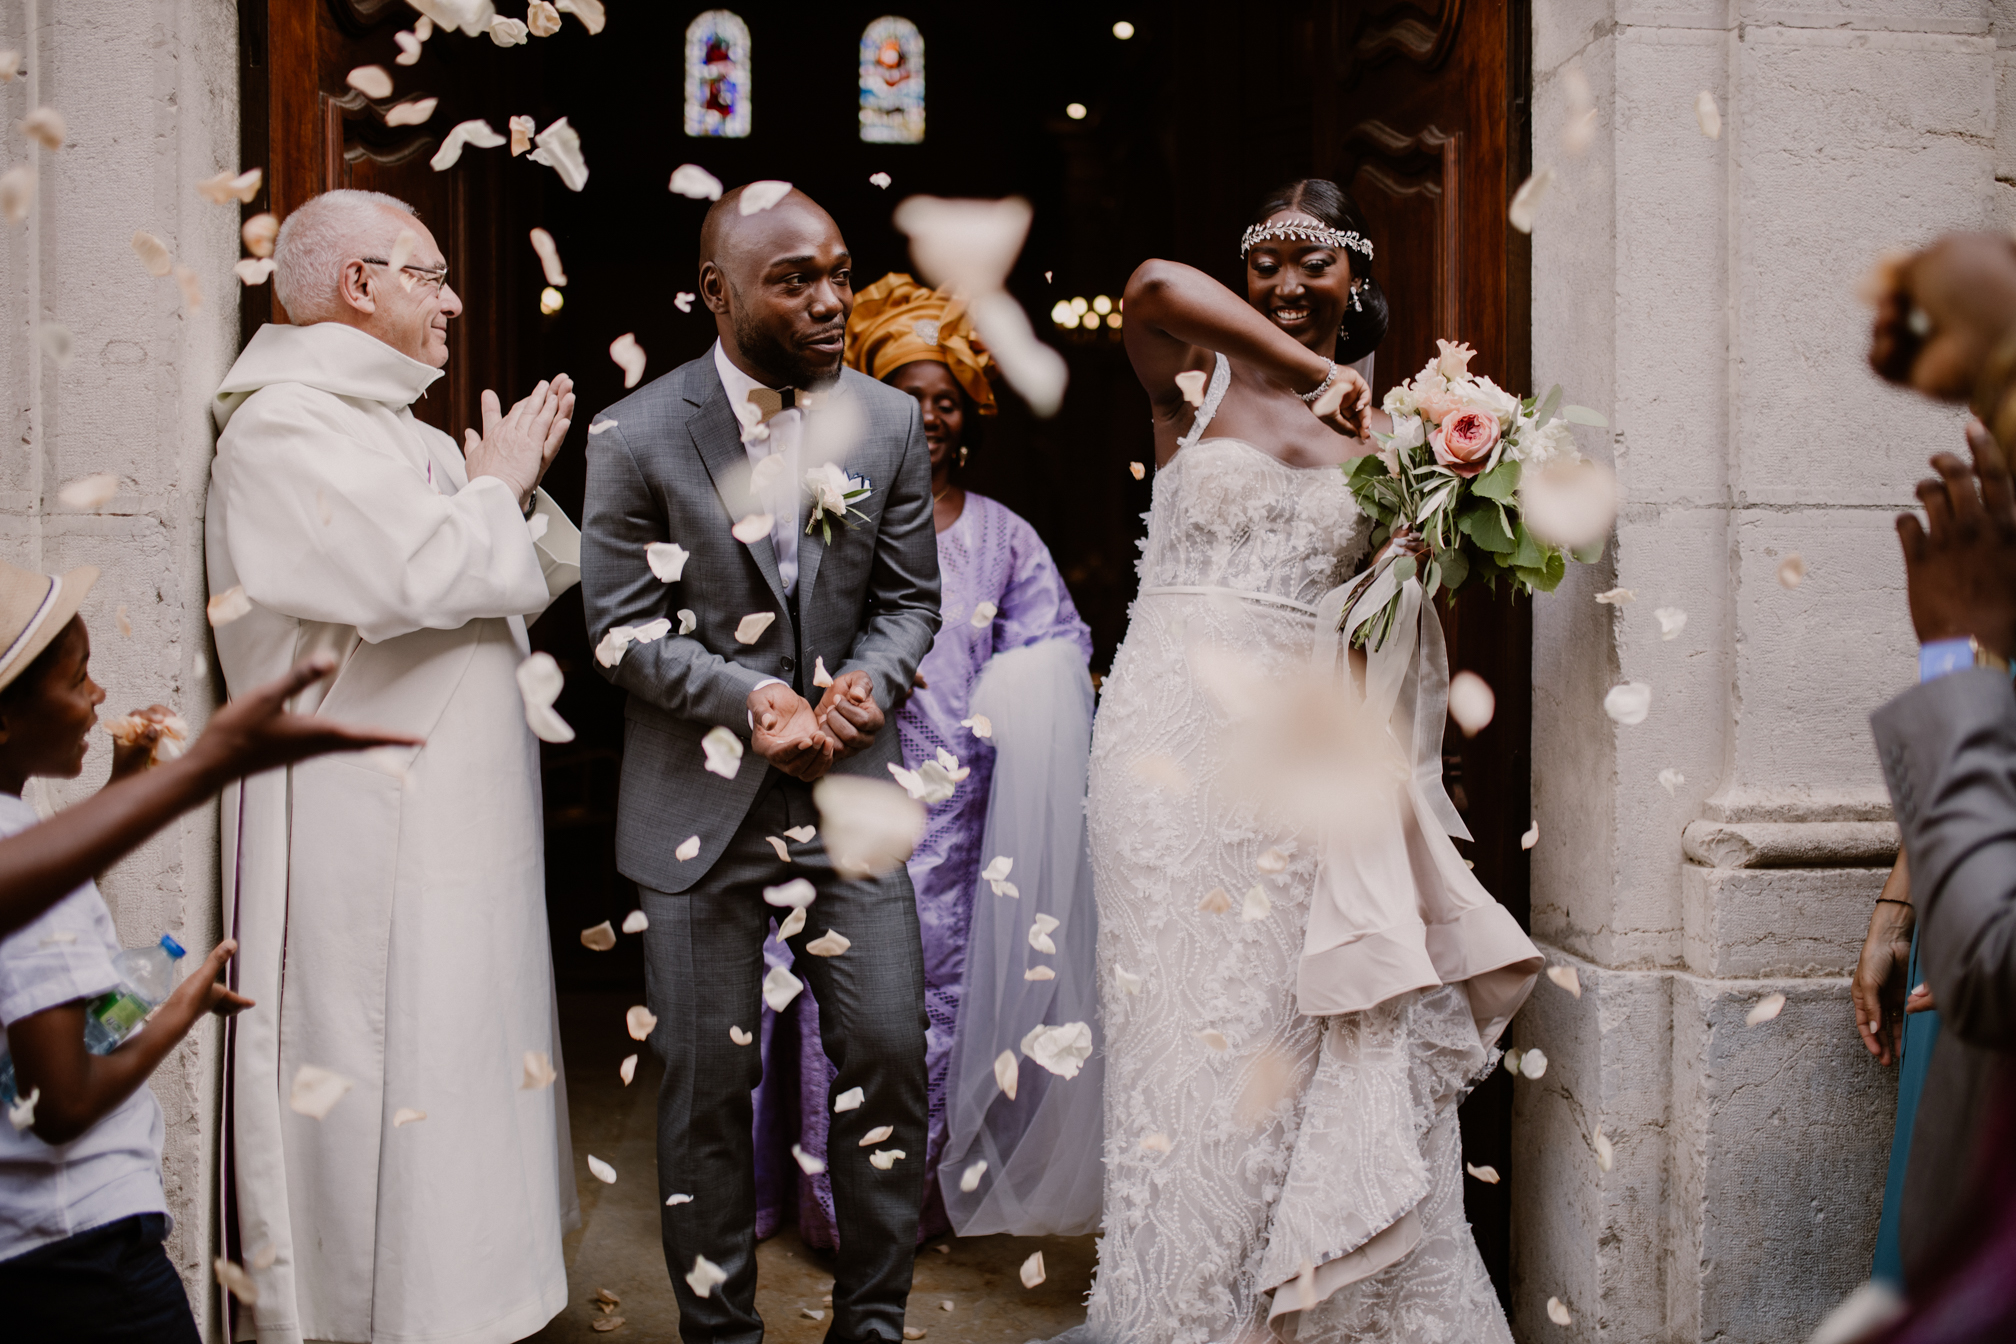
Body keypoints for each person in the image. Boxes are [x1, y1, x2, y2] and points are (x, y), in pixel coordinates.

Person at [1065, 178, 1540, 1344]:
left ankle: (1306, 1310)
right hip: (1168, 750)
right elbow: (1152, 288)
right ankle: (1178, 1315)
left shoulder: (1400, 436)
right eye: (1267, 258)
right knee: (1182, 1044)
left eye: (1312, 262)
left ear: (1356, 279)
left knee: (1296, 1031)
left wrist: (1419, 501)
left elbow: (1392, 623)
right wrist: (1311, 369)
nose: (1287, 279)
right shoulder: (1196, 380)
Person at [205, 188, 584, 1344]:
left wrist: (497, 494)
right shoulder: (282, 428)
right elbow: (410, 577)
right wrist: (496, 490)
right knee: (393, 1058)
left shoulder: (405, 431)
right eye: (431, 274)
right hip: (370, 834)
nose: (457, 300)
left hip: (463, 834)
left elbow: (523, 568)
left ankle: (486, 1299)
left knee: (474, 1054)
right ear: (357, 284)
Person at [579, 186, 939, 1344]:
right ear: (718, 294)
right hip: (697, 810)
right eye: (796, 279)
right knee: (705, 1095)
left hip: (850, 798)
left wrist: (867, 683)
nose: (833, 298)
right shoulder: (633, 434)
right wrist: (752, 699)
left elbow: (908, 601)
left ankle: (871, 1328)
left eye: (839, 269)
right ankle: (719, 1334)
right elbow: (620, 625)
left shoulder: (887, 424)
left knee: (886, 1055)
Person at [753, 274, 1096, 1246]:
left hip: (962, 821)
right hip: (846, 799)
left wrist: (1013, 689)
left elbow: (1058, 645)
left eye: (946, 399)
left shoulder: (1003, 538)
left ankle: (922, 1202)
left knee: (943, 1003)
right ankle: (839, 1213)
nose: (931, 416)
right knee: (837, 997)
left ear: (969, 414)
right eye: (909, 396)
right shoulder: (827, 517)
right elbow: (775, 633)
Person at [0, 561, 414, 1342]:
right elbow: (63, 1104)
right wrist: (180, 1014)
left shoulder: (13, 828)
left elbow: (29, 899)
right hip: (83, 1251)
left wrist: (124, 788)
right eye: (77, 680)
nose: (97, 696)